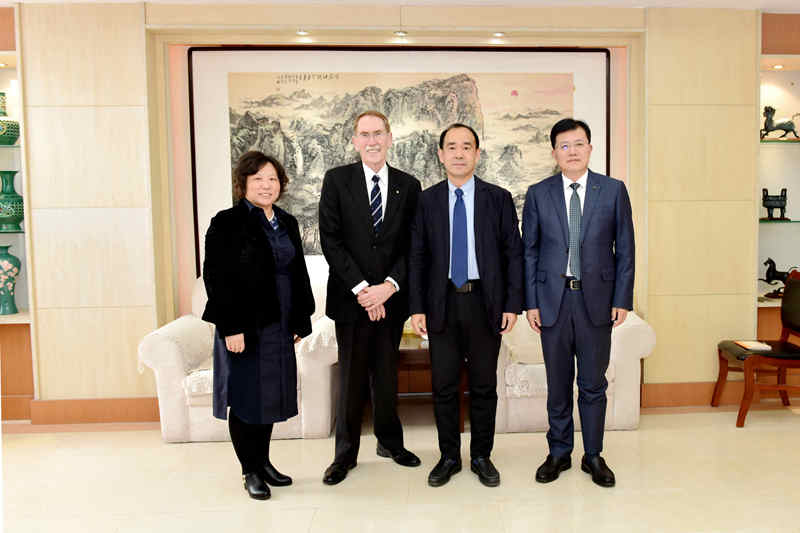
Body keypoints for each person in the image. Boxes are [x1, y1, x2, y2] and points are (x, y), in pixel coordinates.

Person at [409, 123, 523, 488]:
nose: (459, 153)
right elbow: (417, 257)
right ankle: (448, 457)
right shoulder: (426, 201)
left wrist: (512, 304)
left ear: (477, 153)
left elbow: (513, 254)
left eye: (467, 146)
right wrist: (417, 307)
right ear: (441, 155)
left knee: (484, 385)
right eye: (452, 147)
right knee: (443, 385)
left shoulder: (498, 198)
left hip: (484, 302)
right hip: (441, 303)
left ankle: (481, 456)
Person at [522, 118, 634, 488]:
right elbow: (529, 252)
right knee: (558, 384)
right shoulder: (538, 193)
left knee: (592, 384)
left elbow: (626, 249)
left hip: (597, 302)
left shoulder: (613, 191)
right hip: (552, 302)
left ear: (590, 148)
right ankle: (558, 452)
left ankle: (593, 455)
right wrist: (531, 303)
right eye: (564, 145)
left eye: (579, 143)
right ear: (554, 153)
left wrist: (622, 299)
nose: (572, 151)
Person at [202, 151, 315, 500]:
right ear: (243, 183)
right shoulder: (227, 222)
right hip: (245, 325)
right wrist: (231, 327)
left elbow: (297, 273)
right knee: (246, 398)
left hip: (279, 322)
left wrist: (299, 320)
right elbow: (216, 278)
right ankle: (248, 470)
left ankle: (263, 462)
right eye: (258, 179)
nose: (267, 185)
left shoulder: (286, 221)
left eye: (272, 179)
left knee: (270, 396)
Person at [318, 110, 422, 485]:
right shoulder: (337, 180)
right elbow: (331, 240)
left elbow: (413, 244)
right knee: (352, 379)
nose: (372, 140)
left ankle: (390, 443)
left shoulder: (409, 185)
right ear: (355, 141)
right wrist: (363, 290)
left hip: (391, 299)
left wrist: (388, 287)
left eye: (378, 133)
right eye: (365, 134)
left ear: (390, 138)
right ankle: (345, 455)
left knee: (387, 375)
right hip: (351, 301)